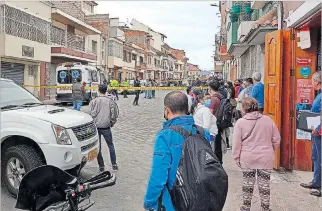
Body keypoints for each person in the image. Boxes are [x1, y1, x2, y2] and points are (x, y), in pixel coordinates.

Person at [143, 91, 212, 211]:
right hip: (200, 197)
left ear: (167, 110)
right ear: (187, 108)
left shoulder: (165, 136)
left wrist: (148, 202)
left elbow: (158, 176)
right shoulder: (203, 132)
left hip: (174, 200)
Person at [233, 97, 280, 211]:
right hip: (265, 157)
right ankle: (265, 208)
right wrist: (269, 149)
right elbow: (277, 139)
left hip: (247, 157)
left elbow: (236, 143)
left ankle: (246, 207)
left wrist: (236, 157)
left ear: (244, 109)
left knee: (248, 184)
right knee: (264, 184)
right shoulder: (268, 120)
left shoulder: (240, 123)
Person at [300, 71, 321, 197]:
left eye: (312, 81)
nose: (312, 83)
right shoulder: (319, 94)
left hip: (319, 132)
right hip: (315, 131)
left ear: (317, 82)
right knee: (316, 157)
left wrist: (318, 129)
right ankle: (316, 181)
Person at [89, 84, 119, 172]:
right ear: (106, 90)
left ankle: (101, 166)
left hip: (96, 127)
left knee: (98, 147)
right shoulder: (110, 101)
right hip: (106, 127)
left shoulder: (94, 101)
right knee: (111, 145)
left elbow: (90, 113)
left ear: (98, 90)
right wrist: (112, 123)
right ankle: (114, 164)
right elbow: (114, 115)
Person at [208, 80, 226, 164]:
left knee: (215, 145)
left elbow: (210, 112)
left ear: (210, 88)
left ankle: (216, 163)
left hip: (215, 124)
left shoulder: (214, 99)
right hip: (220, 122)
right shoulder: (221, 96)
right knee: (218, 145)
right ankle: (219, 162)